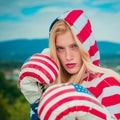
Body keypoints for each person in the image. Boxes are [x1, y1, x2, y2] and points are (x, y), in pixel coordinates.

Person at [19, 9, 120, 120]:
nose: (68, 56)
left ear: (86, 46)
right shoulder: (53, 85)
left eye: (74, 46)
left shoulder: (107, 84)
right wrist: (36, 101)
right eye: (60, 48)